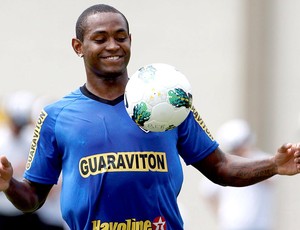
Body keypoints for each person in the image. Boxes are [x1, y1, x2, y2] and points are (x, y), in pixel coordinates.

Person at [0, 4, 300, 230]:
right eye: (100, 38)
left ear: (130, 40)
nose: (113, 46)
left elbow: (221, 167)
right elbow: (33, 198)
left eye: (120, 36)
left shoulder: (170, 101)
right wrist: (8, 184)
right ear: (78, 46)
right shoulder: (56, 115)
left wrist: (273, 165)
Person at [200, 119, 275, 230]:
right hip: (232, 226)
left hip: (260, 226)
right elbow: (207, 192)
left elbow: (272, 181)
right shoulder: (223, 165)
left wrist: (250, 165)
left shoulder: (263, 160)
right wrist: (221, 218)